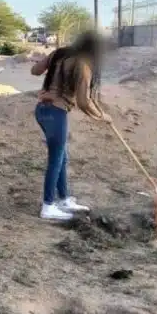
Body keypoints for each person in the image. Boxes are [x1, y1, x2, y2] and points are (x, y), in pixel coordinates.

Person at [30, 32, 109, 221]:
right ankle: (48, 206)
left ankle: (64, 199)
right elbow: (83, 101)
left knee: (62, 157)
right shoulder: (83, 66)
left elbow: (35, 70)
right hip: (56, 113)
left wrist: (47, 63)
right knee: (56, 160)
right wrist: (102, 116)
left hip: (42, 110)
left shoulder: (59, 54)